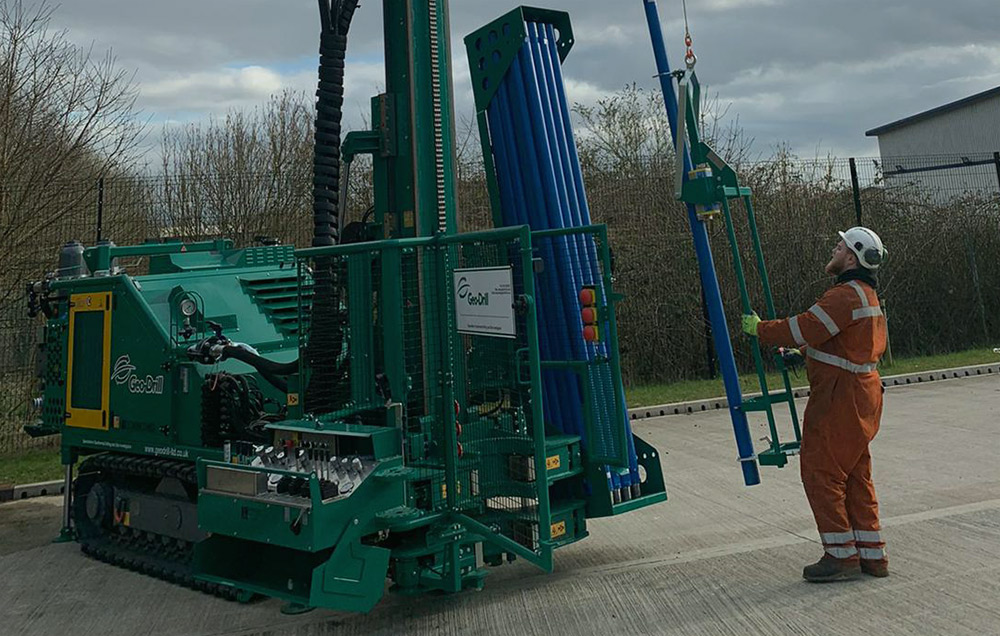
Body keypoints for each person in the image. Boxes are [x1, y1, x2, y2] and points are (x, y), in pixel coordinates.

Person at [742, 227, 889, 582]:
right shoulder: (866, 295)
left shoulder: (845, 296)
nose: (833, 249)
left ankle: (841, 557)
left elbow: (804, 326)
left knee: (821, 473)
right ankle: (872, 555)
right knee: (855, 475)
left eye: (839, 246)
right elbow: (838, 344)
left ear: (851, 258)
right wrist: (804, 354)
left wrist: (760, 329)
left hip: (840, 399)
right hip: (862, 396)